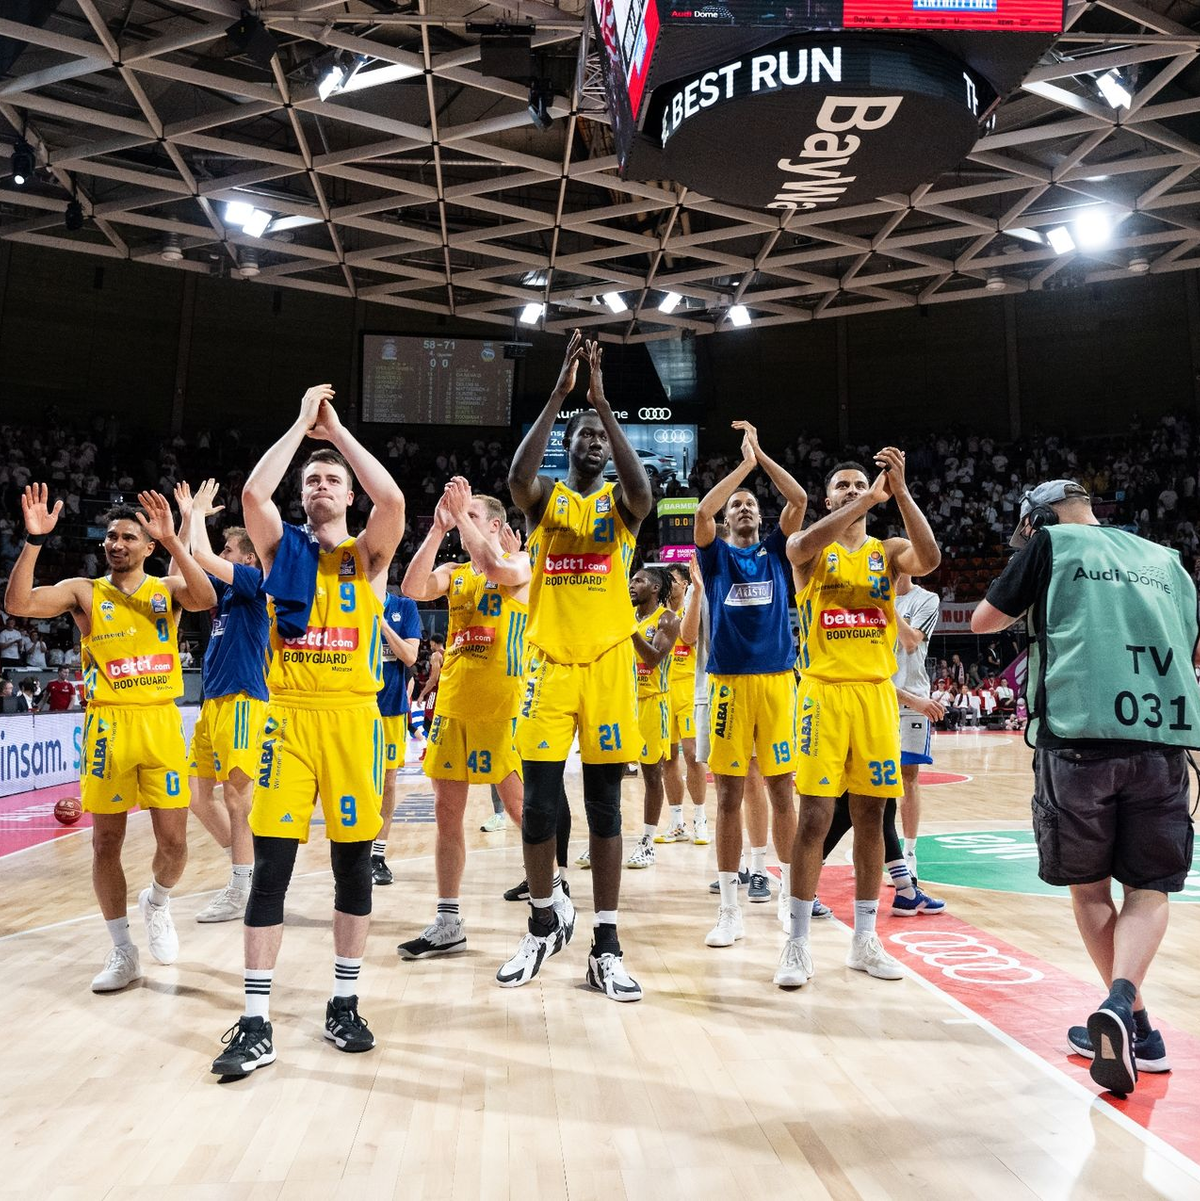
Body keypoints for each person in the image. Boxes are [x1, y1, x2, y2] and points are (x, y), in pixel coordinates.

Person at [972, 479, 1200, 1096]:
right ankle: (1132, 1020)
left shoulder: (1049, 544)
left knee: (1089, 888)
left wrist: (1026, 555)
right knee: (1151, 888)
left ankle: (1132, 1018)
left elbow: (984, 620)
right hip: (1160, 741)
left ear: (1035, 518)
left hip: (1077, 738)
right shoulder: (1167, 560)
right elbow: (1188, 643)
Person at [210, 384, 404, 1077]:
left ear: (345, 495)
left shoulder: (367, 558)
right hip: (288, 720)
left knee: (353, 867)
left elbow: (394, 503)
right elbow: (253, 500)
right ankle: (256, 1020)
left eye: (331, 480)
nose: (320, 485)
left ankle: (344, 1002)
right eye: (312, 480)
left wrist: (339, 435)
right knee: (273, 869)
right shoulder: (279, 549)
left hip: (353, 719)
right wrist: (299, 425)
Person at [5, 486, 216, 992]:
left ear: (147, 546)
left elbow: (206, 599)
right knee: (105, 842)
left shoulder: (166, 588)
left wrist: (175, 541)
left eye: (128, 537)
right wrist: (34, 541)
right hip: (107, 726)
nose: (116, 544)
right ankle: (122, 950)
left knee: (174, 842)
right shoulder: (84, 590)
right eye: (111, 537)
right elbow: (19, 603)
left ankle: (158, 903)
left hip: (161, 723)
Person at [499, 332, 653, 1001]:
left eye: (600, 438)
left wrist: (604, 405)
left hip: (611, 664)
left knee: (605, 809)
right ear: (566, 446)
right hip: (549, 664)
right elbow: (514, 479)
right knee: (537, 804)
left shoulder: (620, 507)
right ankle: (543, 919)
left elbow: (643, 492)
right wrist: (561, 397)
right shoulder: (544, 502)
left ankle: (607, 944)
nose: (592, 441)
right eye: (583, 435)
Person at [780, 451, 941, 989]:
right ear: (827, 499)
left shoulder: (887, 552)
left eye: (857, 484)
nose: (851, 490)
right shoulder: (809, 548)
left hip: (875, 696)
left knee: (872, 817)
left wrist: (900, 493)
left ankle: (864, 940)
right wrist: (868, 500)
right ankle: (797, 943)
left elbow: (930, 557)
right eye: (841, 487)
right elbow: (799, 546)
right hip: (822, 695)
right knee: (814, 818)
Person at [397, 477, 527, 959]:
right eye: (460, 515)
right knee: (446, 815)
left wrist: (468, 526)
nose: (460, 520)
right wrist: (436, 530)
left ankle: (552, 894)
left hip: (501, 707)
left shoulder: (517, 562)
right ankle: (448, 919)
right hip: (453, 706)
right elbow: (412, 587)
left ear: (495, 524)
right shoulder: (455, 571)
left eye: (471, 515)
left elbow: (495, 563)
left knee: (519, 810)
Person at [696, 421, 807, 949]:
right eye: (734, 505)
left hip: (777, 683)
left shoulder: (780, 551)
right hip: (728, 687)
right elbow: (700, 514)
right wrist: (740, 469)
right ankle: (728, 908)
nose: (741, 508)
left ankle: (788, 896)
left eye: (748, 504)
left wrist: (760, 457)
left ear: (760, 517)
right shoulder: (715, 554)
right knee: (728, 796)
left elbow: (801, 497)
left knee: (783, 790)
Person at [179, 479, 271, 924]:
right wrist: (183, 520)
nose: (223, 554)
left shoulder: (254, 582)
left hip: (242, 698)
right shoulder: (222, 594)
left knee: (236, 798)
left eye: (228, 549)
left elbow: (200, 557)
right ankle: (248, 866)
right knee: (197, 797)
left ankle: (242, 885)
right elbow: (185, 568)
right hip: (212, 702)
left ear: (246, 557)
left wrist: (198, 516)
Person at [625, 566, 681, 868]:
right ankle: (606, 838)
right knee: (608, 773)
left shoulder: (668, 620)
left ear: (656, 588)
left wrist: (629, 630)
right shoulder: (628, 618)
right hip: (623, 703)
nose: (632, 585)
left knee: (651, 774)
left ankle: (647, 842)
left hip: (652, 703)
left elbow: (654, 657)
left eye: (639, 581)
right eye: (631, 580)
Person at [370, 579, 422, 887]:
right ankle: (355, 851)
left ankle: (377, 854)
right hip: (354, 707)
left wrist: (383, 626)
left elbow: (411, 657)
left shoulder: (405, 606)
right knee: (358, 782)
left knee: (387, 784)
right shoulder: (352, 602)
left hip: (390, 710)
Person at [893, 572, 941, 879]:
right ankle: (875, 850)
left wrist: (883, 603)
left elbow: (910, 641)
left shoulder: (927, 599)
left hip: (913, 697)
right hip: (874, 696)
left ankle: (909, 853)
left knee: (908, 777)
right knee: (868, 779)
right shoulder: (865, 594)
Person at [659, 562, 708, 845]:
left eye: (674, 579)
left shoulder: (693, 609)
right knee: (668, 758)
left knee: (693, 755)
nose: (669, 584)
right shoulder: (657, 613)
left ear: (685, 584)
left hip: (689, 689)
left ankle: (700, 817)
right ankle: (676, 821)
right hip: (665, 691)